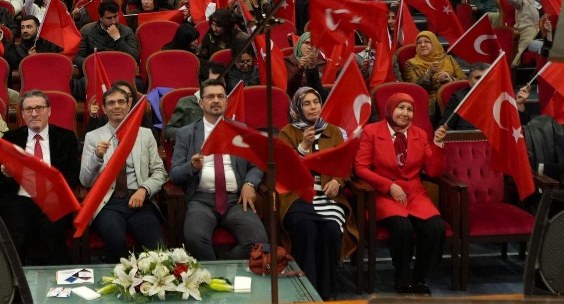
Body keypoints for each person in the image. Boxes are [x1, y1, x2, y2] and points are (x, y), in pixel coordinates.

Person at [355, 93, 448, 295]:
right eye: (401, 108)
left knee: (436, 228)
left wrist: (439, 145)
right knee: (402, 229)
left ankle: (420, 278)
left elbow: (433, 172)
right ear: (390, 109)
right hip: (384, 194)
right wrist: (388, 185)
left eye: (410, 109)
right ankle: (402, 278)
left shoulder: (421, 134)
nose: (405, 113)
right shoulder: (372, 131)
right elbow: (360, 167)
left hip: (414, 195)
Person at [170, 79, 267, 260]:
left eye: (220, 96)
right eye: (210, 97)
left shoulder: (241, 130)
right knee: (194, 239)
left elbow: (257, 164)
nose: (216, 100)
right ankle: (213, 276)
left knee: (259, 241)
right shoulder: (186, 133)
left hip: (236, 200)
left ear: (226, 101)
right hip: (201, 201)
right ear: (201, 103)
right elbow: (174, 174)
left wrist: (249, 183)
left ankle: (222, 268)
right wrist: (191, 166)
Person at [277, 88, 356, 300]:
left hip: (329, 198)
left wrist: (338, 182)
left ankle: (326, 291)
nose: (313, 107)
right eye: (307, 103)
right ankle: (305, 291)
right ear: (297, 108)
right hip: (297, 197)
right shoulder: (287, 132)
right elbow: (284, 170)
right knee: (307, 228)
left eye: (316, 102)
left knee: (331, 230)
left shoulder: (335, 132)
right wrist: (303, 146)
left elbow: (346, 166)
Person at [0, 90, 81, 265]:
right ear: (22, 114)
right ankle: (15, 285)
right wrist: (3, 173)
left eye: (39, 108)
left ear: (49, 111)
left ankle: (58, 284)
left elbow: (73, 177)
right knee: (15, 230)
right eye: (29, 110)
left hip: (53, 199)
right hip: (19, 199)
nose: (34, 113)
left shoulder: (66, 137)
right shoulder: (10, 138)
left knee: (51, 232)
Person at [79, 85, 166, 261]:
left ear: (128, 105)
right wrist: (97, 156)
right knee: (116, 242)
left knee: (158, 248)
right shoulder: (93, 137)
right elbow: (85, 181)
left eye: (121, 102)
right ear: (104, 109)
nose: (116, 106)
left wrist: (144, 189)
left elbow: (160, 172)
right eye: (111, 103)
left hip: (139, 200)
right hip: (108, 204)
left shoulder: (145, 134)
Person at [403, 31, 466, 124]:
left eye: (427, 42)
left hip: (453, 98)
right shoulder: (411, 63)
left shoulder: (448, 59)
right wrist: (429, 72)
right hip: (429, 103)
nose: (422, 45)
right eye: (419, 43)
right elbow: (414, 89)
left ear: (435, 43)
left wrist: (451, 80)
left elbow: (465, 81)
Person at [163, 62, 227, 141]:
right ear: (202, 83)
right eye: (212, 83)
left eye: (221, 82)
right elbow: (169, 131)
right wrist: (190, 134)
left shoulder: (231, 102)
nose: (217, 86)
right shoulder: (186, 103)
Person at [76, 0, 139, 70]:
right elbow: (77, 57)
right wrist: (95, 64)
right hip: (96, 71)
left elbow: (134, 57)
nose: (113, 21)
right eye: (109, 18)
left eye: (115, 16)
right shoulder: (86, 31)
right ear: (100, 17)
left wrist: (118, 39)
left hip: (120, 69)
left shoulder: (127, 31)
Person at [285, 32, 327, 97]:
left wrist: (312, 67)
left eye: (313, 44)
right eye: (306, 43)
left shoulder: (324, 64)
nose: (309, 47)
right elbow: (289, 89)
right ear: (300, 44)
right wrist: (299, 68)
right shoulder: (287, 62)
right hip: (295, 99)